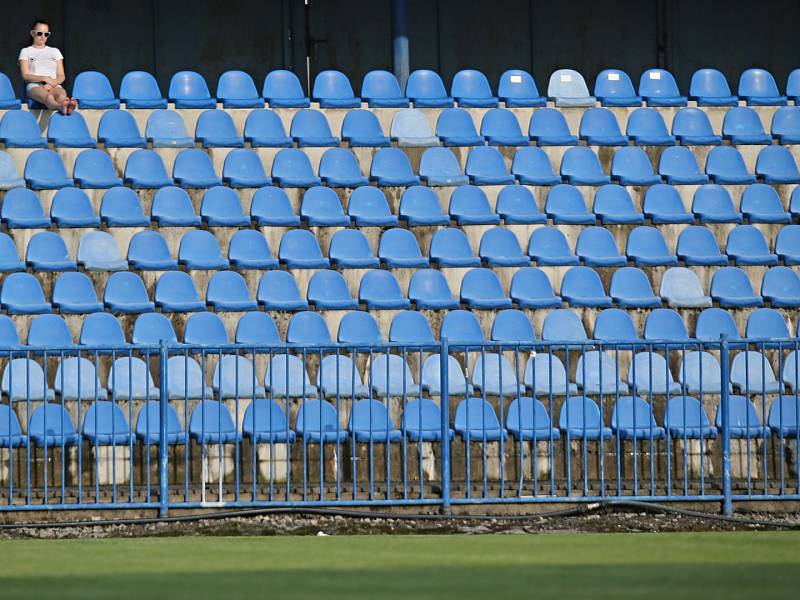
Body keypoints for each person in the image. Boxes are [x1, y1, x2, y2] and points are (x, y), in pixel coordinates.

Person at [18, 19, 77, 114]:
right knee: (48, 97)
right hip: (34, 85)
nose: (43, 37)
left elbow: (61, 76)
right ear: (32, 33)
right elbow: (25, 75)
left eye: (46, 34)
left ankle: (66, 106)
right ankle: (61, 107)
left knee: (62, 95)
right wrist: (44, 78)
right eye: (40, 33)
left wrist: (51, 84)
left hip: (54, 84)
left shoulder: (55, 51)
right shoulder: (25, 51)